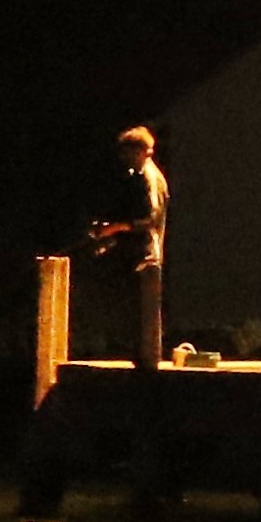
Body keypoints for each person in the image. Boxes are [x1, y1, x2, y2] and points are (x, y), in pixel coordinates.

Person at [92, 124, 170, 362]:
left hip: (148, 255)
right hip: (137, 252)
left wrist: (116, 227)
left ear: (141, 152)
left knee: (145, 308)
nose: (124, 160)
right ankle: (138, 353)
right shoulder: (136, 177)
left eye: (127, 154)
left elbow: (151, 219)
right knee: (132, 307)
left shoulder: (150, 178)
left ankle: (146, 357)